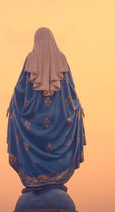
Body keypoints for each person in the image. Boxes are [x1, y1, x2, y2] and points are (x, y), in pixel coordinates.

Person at [7, 27, 86, 194]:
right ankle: (54, 178)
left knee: (31, 139)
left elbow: (20, 90)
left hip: (32, 123)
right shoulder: (62, 60)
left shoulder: (30, 60)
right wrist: (77, 107)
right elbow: (70, 91)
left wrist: (13, 104)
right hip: (59, 120)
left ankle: (36, 179)